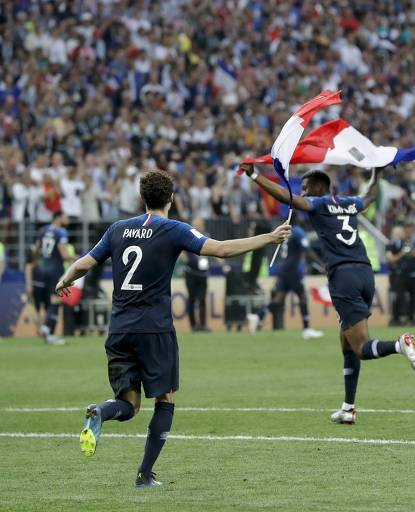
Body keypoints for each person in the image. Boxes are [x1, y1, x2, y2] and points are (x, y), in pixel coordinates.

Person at [54, 170, 291, 488]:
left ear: (142, 199)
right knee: (165, 399)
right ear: (171, 198)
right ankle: (143, 475)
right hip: (155, 328)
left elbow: (85, 262)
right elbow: (220, 249)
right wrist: (269, 237)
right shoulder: (173, 229)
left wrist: (65, 279)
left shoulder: (117, 229)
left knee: (128, 403)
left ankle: (102, 411)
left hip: (120, 328)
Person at [242, 162, 415, 425]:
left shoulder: (320, 203)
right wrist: (377, 173)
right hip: (365, 274)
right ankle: (348, 408)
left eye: (305, 188)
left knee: (361, 346)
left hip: (343, 277)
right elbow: (371, 196)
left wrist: (255, 175)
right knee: (346, 341)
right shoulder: (350, 202)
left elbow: (287, 198)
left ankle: (399, 345)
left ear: (318, 187)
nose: (302, 193)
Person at [269, 220, 324, 340]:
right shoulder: (298, 232)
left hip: (283, 269)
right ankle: (307, 329)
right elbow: (307, 250)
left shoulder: (287, 232)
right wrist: (321, 265)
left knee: (279, 299)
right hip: (293, 270)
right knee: (302, 297)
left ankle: (257, 316)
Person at [28, 211, 74, 345]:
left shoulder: (43, 230)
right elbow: (64, 255)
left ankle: (47, 331)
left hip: (42, 269)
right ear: (58, 218)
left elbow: (35, 250)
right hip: (55, 270)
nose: (67, 219)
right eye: (65, 217)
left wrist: (36, 262)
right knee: (55, 301)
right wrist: (77, 258)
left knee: (46, 303)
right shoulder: (61, 232)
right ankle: (49, 331)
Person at [386, 221, 415, 325]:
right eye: (406, 229)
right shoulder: (397, 244)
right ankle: (396, 319)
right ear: (404, 231)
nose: (408, 232)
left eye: (410, 229)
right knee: (399, 297)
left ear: (413, 231)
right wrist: (402, 254)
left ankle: (413, 320)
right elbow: (391, 259)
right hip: (402, 275)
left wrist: (414, 253)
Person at [183, 218, 211, 332]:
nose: (199, 227)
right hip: (191, 272)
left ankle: (203, 325)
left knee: (202, 299)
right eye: (196, 225)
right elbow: (182, 251)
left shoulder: (207, 235)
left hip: (203, 273)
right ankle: (193, 325)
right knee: (192, 299)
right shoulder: (189, 235)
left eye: (200, 225)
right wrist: (186, 260)